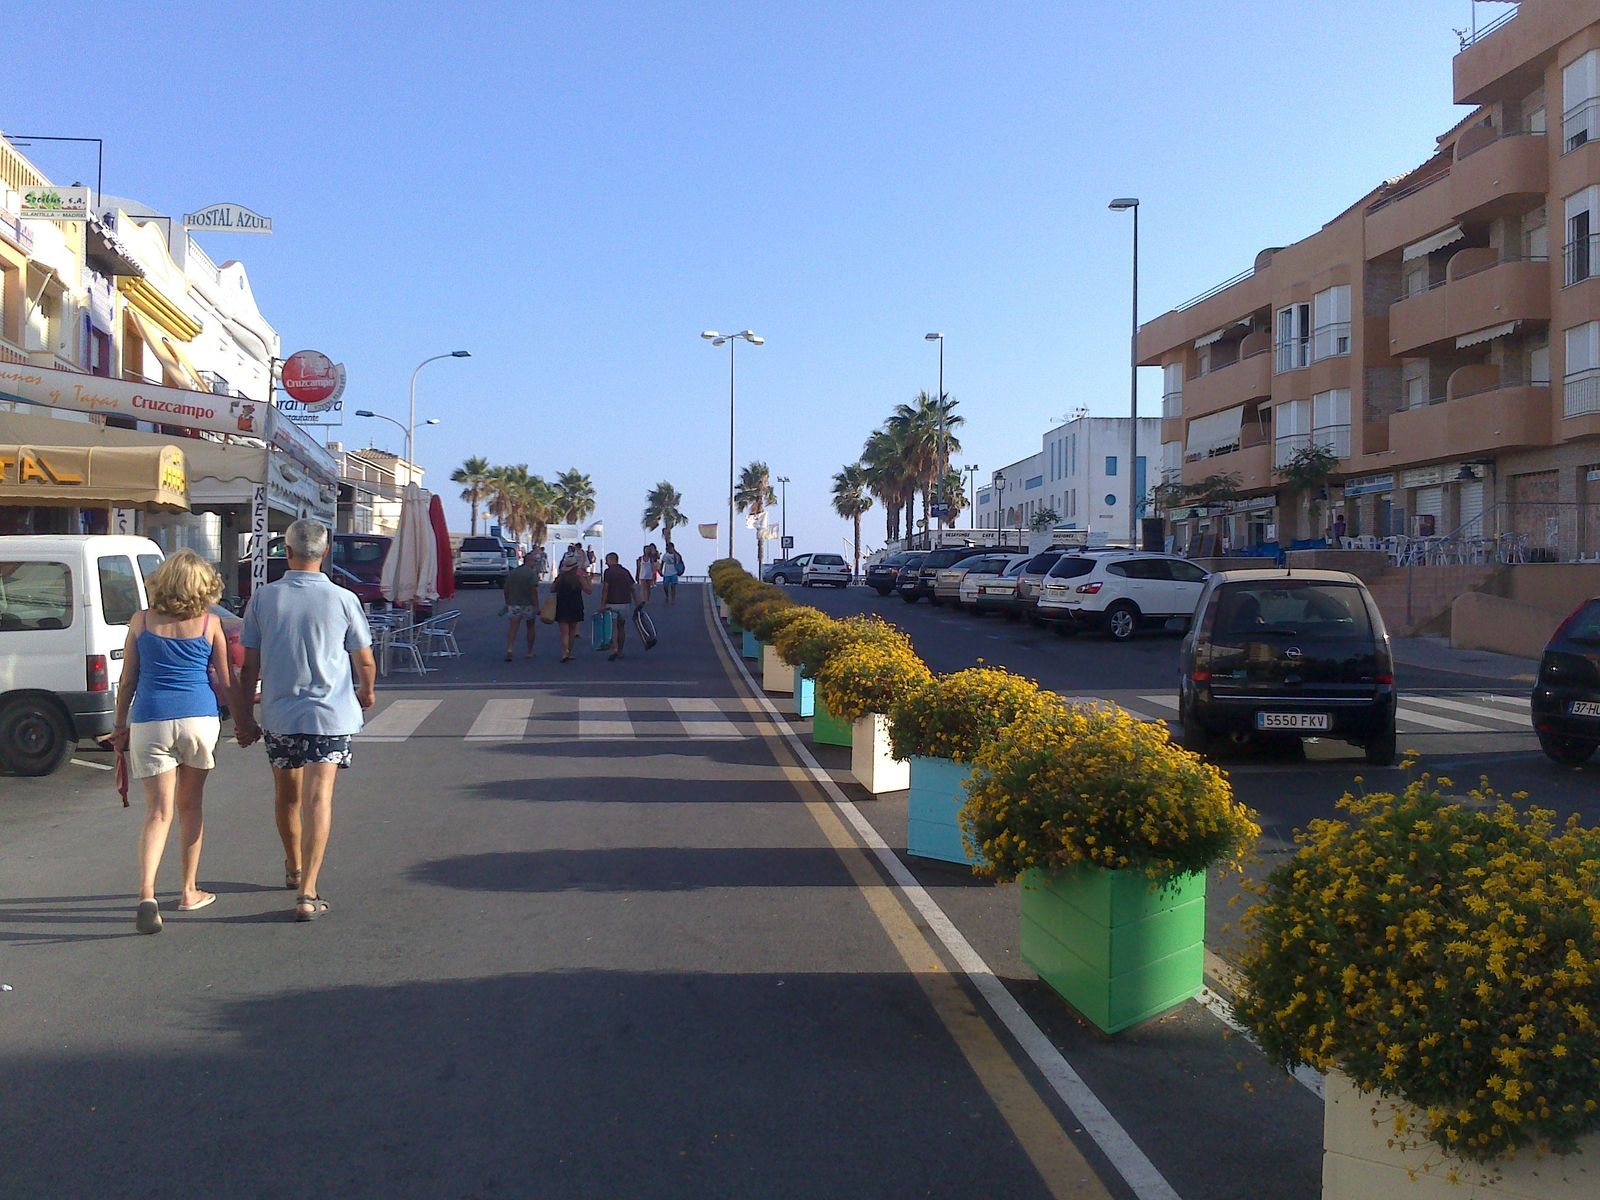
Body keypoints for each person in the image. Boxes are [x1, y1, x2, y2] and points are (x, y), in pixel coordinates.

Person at [234, 520, 377, 923]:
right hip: (330, 714)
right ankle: (308, 889)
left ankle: (293, 864)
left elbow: (249, 668)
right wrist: (366, 691)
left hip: (280, 712)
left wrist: (245, 716)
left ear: (287, 550)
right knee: (320, 797)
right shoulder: (343, 599)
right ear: (325, 551)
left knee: (287, 795)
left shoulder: (264, 599)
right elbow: (363, 658)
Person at [114, 550, 243, 934]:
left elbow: (128, 681)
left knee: (158, 812)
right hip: (198, 719)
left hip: (150, 719)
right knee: (191, 807)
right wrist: (243, 722)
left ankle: (147, 894)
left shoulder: (141, 622)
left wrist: (120, 725)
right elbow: (226, 678)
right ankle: (188, 891)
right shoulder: (209, 624)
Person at [552, 549, 592, 661]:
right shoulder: (579, 579)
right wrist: (589, 580)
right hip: (576, 604)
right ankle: (570, 652)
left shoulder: (560, 578)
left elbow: (552, 589)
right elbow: (589, 591)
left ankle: (565, 652)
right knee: (572, 631)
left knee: (564, 631)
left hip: (562, 604)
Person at [503, 548, 541, 661]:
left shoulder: (513, 572)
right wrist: (537, 606)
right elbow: (533, 591)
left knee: (513, 628)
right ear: (529, 561)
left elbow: (506, 589)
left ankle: (510, 649)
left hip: (514, 603)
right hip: (528, 604)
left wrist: (507, 602)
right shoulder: (531, 574)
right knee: (530, 627)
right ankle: (529, 651)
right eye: (534, 561)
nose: (535, 563)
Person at [599, 551, 637, 661]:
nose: (606, 563)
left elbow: (606, 589)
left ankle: (614, 648)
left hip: (612, 603)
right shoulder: (625, 572)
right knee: (621, 627)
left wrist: (602, 604)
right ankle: (620, 651)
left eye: (607, 561)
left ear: (611, 560)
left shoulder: (608, 572)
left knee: (612, 628)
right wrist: (637, 602)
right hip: (625, 603)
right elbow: (633, 588)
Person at [661, 541, 684, 606]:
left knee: (673, 586)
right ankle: (667, 595)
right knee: (665, 586)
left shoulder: (676, 555)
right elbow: (662, 563)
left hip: (674, 572)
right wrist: (660, 570)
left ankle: (673, 599)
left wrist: (675, 552)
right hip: (666, 573)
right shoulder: (665, 555)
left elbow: (679, 560)